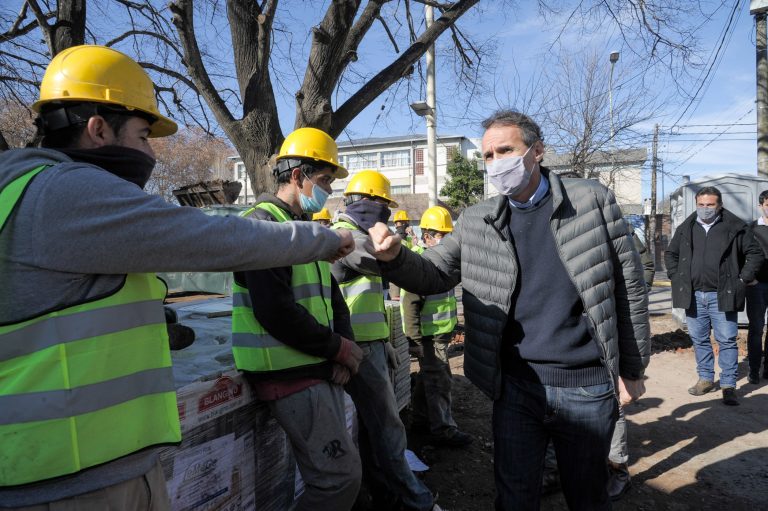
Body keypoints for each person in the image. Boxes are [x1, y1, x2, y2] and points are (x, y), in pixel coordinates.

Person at [0, 45, 353, 509]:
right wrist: (327, 240)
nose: (150, 152)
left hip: (76, 463)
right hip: (69, 476)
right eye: (144, 135)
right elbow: (214, 238)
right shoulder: (63, 190)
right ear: (98, 128)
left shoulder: (28, 192)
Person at [368, 110, 650, 510]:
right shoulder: (477, 220)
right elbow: (433, 273)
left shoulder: (591, 201)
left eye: (506, 150)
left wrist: (633, 369)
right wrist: (395, 257)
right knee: (514, 497)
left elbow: (628, 288)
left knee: (587, 496)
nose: (496, 162)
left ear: (536, 152)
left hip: (585, 385)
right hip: (516, 387)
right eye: (487, 155)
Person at [231, 127, 363, 510]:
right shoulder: (263, 224)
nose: (329, 191)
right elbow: (274, 310)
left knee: (336, 476)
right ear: (296, 176)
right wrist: (337, 349)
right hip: (286, 372)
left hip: (311, 366)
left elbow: (330, 295)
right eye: (323, 181)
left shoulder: (303, 230)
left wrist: (342, 348)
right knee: (339, 480)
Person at [331, 170, 439, 511]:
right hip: (357, 347)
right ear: (367, 202)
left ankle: (382, 493)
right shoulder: (346, 237)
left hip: (368, 344)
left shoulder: (357, 234)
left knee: (371, 426)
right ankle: (415, 500)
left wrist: (384, 342)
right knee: (388, 426)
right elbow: (387, 264)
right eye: (383, 205)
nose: (387, 214)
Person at [665, 186, 763, 406]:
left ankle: (728, 385)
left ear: (719, 205)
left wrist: (742, 279)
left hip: (723, 295)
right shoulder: (687, 227)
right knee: (699, 339)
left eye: (710, 205)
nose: (705, 209)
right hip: (693, 294)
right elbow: (671, 254)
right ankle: (706, 379)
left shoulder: (735, 227)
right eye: (701, 205)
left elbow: (754, 254)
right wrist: (675, 276)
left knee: (727, 340)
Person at [401, 206, 472, 447]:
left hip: (440, 334)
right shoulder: (421, 264)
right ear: (427, 236)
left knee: (427, 379)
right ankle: (444, 430)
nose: (446, 241)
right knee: (440, 382)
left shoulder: (443, 263)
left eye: (448, 235)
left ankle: (421, 421)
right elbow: (409, 305)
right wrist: (415, 341)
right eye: (441, 235)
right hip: (429, 339)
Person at [745, 190, 768, 384]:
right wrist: (748, 279)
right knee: (756, 329)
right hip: (757, 286)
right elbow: (741, 255)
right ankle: (753, 370)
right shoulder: (751, 229)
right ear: (761, 206)